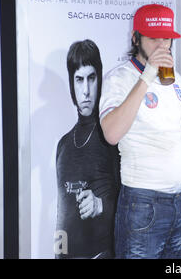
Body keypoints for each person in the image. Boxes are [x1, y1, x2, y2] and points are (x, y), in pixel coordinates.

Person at [98, 4, 181, 259]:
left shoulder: (172, 79)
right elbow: (111, 134)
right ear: (135, 38)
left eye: (167, 38)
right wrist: (146, 76)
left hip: (179, 202)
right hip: (143, 203)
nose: (162, 45)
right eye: (153, 38)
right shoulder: (120, 78)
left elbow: (175, 133)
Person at [55, 39, 120, 259]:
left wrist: (101, 204)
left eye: (91, 78)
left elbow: (132, 202)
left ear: (100, 79)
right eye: (79, 79)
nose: (85, 91)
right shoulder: (63, 144)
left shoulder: (111, 133)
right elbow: (61, 214)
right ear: (71, 84)